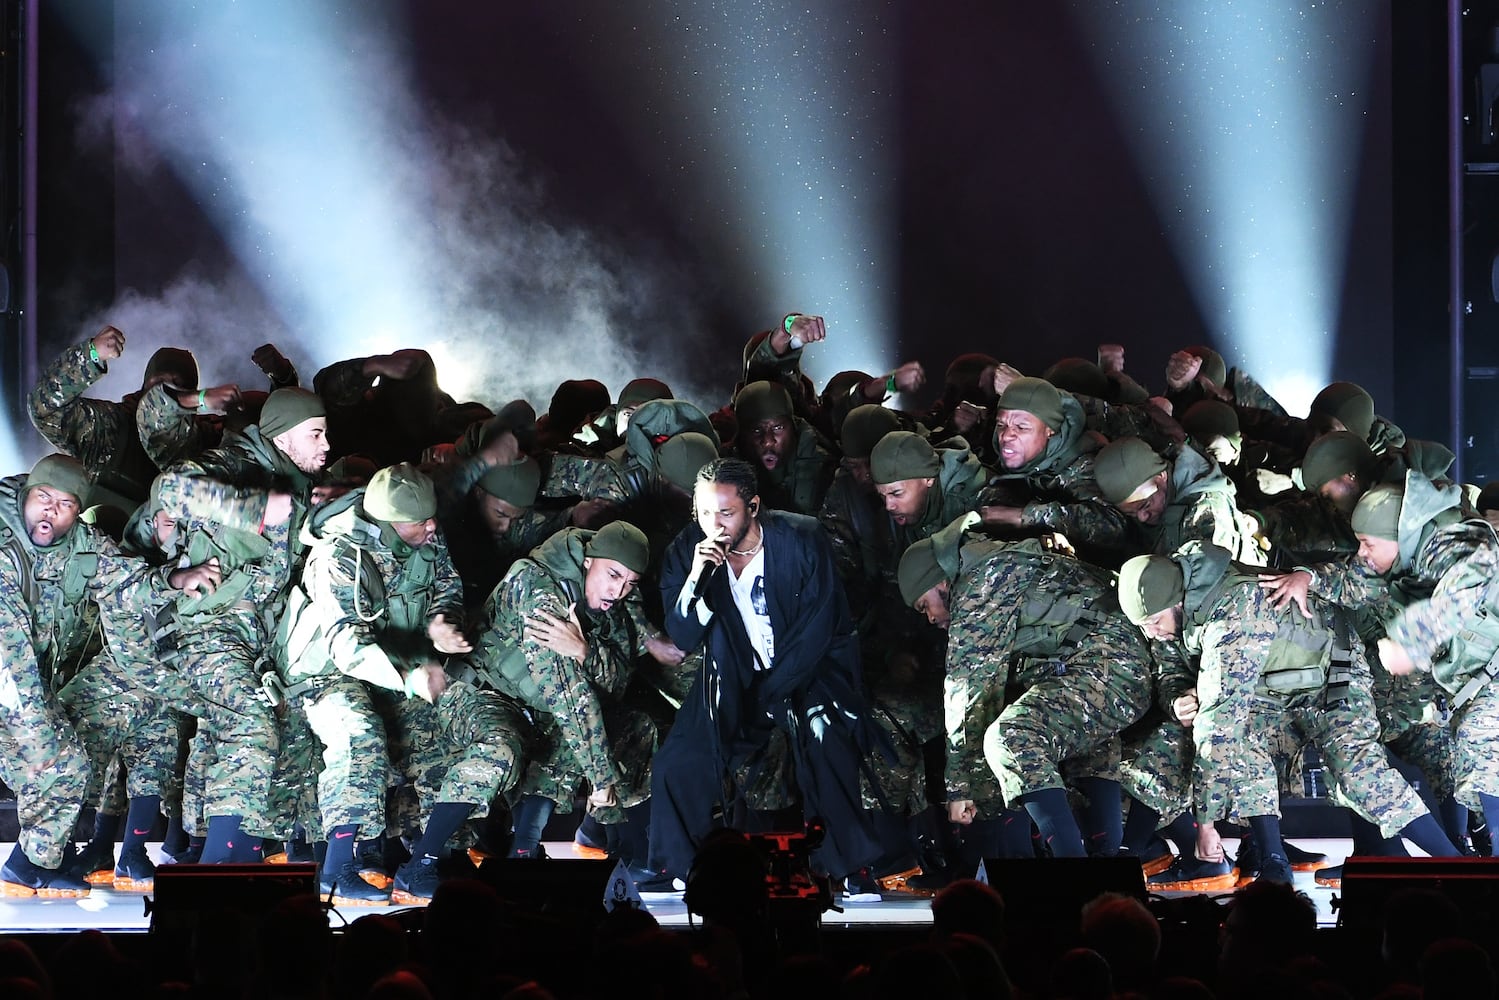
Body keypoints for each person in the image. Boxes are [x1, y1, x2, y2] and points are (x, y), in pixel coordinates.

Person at [1116, 541, 1459, 884]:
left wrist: (1205, 826)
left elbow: (1220, 721)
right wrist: (1178, 698)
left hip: (1332, 676)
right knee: (1245, 741)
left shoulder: (1234, 607)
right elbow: (1171, 671)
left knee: (1354, 765)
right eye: (1144, 627)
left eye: (1155, 623)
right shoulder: (1168, 610)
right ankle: (1272, 862)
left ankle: (1457, 866)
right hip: (1270, 690)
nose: (1152, 633)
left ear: (1177, 601)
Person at [276, 463, 515, 905]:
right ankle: (336, 869)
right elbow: (346, 646)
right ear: (385, 522)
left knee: (439, 736)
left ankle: (423, 860)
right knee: (360, 735)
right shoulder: (339, 555)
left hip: (398, 670)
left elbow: (446, 588)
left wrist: (442, 623)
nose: (430, 527)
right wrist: (408, 677)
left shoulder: (428, 535)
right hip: (327, 673)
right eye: (417, 522)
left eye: (431, 518)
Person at [647, 457, 882, 884]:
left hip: (807, 671)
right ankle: (683, 868)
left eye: (725, 512)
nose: (712, 524)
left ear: (753, 506)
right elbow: (681, 635)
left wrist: (772, 695)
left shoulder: (801, 538)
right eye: (703, 513)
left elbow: (818, 628)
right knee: (680, 758)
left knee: (826, 739)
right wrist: (697, 577)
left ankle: (850, 866)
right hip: (733, 673)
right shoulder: (686, 551)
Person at [898, 513, 1153, 859]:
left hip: (1111, 665)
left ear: (941, 581)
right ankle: (1102, 864)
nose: (929, 617)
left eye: (924, 604)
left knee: (1012, 736)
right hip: (1111, 660)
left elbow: (968, 688)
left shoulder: (979, 583)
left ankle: (1073, 876)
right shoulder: (993, 563)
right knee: (1068, 735)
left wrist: (960, 787)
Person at [151, 386, 330, 863]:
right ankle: (223, 868)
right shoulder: (237, 462)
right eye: (316, 434)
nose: (326, 445)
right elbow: (171, 490)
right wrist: (254, 507)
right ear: (283, 437)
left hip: (257, 639)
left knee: (239, 734)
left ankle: (198, 851)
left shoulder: (302, 480)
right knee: (249, 724)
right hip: (207, 627)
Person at [464, 520, 657, 867]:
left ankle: (609, 842)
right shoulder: (541, 586)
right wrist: (600, 779)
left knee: (634, 726)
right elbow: (567, 694)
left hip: (547, 705)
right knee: (568, 726)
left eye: (630, 583)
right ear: (588, 561)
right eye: (613, 576)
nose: (620, 590)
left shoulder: (616, 604)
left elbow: (618, 680)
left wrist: (585, 650)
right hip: (494, 697)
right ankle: (514, 846)